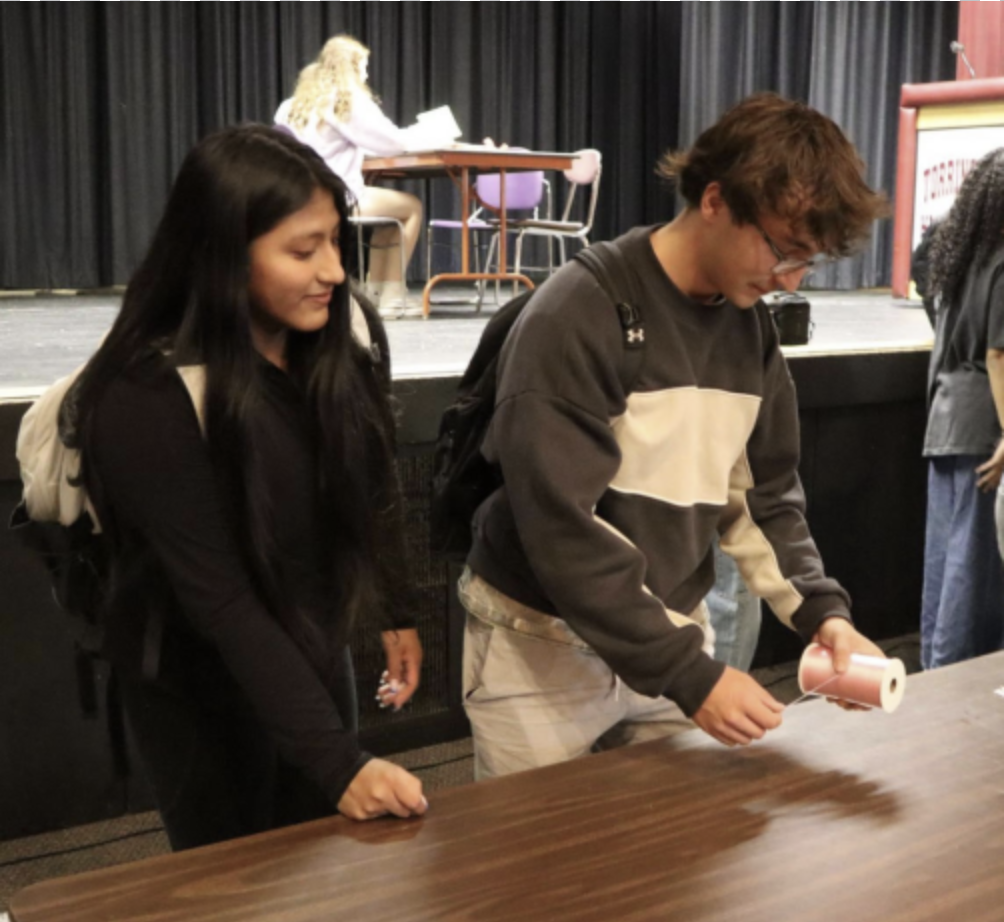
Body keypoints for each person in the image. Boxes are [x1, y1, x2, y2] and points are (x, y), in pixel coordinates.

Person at [459, 93, 889, 780]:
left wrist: (821, 615)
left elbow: (766, 498)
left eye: (809, 263)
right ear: (715, 200)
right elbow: (558, 528)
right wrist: (690, 673)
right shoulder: (580, 312)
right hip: (541, 644)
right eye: (783, 251)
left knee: (676, 869)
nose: (789, 280)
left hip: (672, 635)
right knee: (532, 873)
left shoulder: (750, 334)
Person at [63, 124, 428, 849]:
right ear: (224, 253)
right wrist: (340, 763)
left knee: (324, 866)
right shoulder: (145, 395)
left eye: (334, 241)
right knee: (232, 874)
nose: (332, 271)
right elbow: (220, 600)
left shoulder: (339, 340)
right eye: (302, 249)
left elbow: (370, 482)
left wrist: (395, 607)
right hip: (196, 683)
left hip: (307, 646)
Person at [921, 148, 1004, 670]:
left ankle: (933, 673)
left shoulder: (959, 258)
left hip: (945, 416)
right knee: (969, 573)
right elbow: (999, 354)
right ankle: (952, 685)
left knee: (943, 565)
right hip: (983, 427)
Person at [276, 35, 423, 318]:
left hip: (296, 197)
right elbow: (393, 143)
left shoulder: (290, 105)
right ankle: (390, 296)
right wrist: (422, 134)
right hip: (337, 196)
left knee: (390, 218)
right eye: (364, 67)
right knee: (411, 207)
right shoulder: (348, 100)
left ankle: (375, 294)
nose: (367, 74)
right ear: (353, 67)